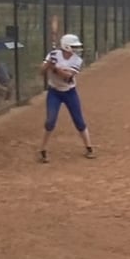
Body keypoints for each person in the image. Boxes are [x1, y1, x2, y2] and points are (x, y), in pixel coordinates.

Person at [39, 33, 94, 163]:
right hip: (54, 92)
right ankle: (43, 150)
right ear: (66, 46)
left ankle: (89, 147)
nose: (76, 49)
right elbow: (41, 72)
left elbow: (68, 76)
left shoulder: (77, 60)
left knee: (79, 120)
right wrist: (48, 64)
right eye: (73, 47)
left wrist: (54, 67)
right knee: (50, 121)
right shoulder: (53, 55)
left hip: (70, 92)